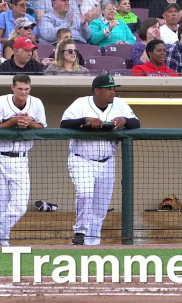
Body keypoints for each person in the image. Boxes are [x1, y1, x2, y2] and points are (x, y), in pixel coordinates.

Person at [60, 74, 140, 245]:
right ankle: (80, 232)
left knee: (101, 206)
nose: (113, 92)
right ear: (97, 91)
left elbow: (136, 124)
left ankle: (92, 243)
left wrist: (124, 120)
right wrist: (86, 120)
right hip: (82, 158)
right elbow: (64, 124)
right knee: (85, 194)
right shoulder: (81, 103)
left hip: (107, 161)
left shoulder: (119, 105)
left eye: (113, 89)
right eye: (109, 89)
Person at [0, 73, 46, 246]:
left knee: (20, 205)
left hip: (21, 158)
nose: (23, 92)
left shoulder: (36, 103)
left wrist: (29, 122)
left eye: (26, 89)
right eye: (20, 88)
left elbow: (42, 128)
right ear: (12, 88)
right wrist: (13, 121)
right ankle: (0, 243)